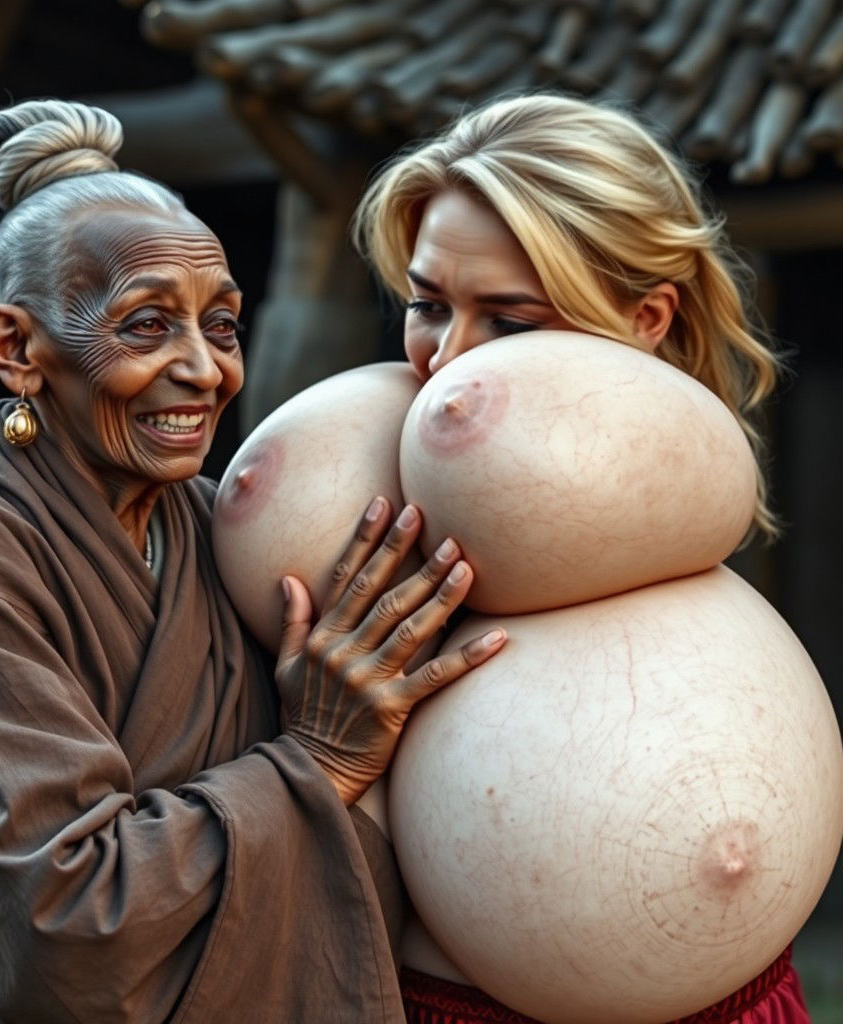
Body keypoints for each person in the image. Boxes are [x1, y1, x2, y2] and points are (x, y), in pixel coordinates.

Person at [0, 98, 507, 1022]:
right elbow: (62, 926)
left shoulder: (206, 521)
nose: (205, 370)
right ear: (13, 345)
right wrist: (313, 762)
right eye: (146, 327)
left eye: (221, 325)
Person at [352, 94, 808, 1024]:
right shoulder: (369, 485)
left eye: (511, 324)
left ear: (646, 318)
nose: (449, 361)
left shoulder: (683, 504)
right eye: (427, 305)